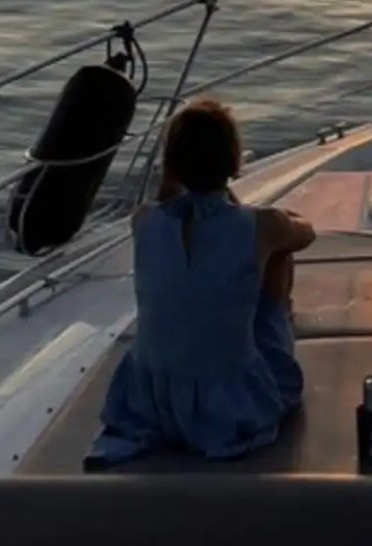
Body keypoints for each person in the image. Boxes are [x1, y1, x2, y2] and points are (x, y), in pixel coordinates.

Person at [87, 99, 314, 467]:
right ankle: (279, 335)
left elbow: (170, 205)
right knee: (278, 254)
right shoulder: (263, 225)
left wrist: (171, 179)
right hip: (232, 407)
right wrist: (261, 220)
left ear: (173, 166)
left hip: (152, 404)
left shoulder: (143, 221)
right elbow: (306, 233)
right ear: (233, 159)